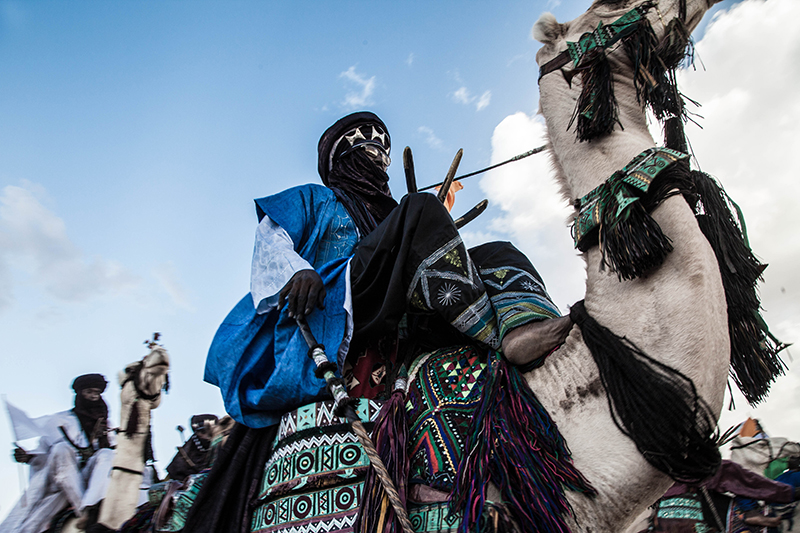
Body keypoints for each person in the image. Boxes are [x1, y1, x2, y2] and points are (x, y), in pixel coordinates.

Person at [204, 111, 572, 428]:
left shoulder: (391, 213)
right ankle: (491, 336)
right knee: (421, 208)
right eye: (369, 152)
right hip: (336, 300)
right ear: (345, 160)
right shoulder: (315, 198)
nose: (380, 162)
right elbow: (273, 237)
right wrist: (297, 272)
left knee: (496, 252)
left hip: (394, 305)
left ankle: (519, 330)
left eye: (383, 155)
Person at [0, 374, 116, 533]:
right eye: (89, 392)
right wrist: (28, 457)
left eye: (97, 393)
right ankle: (84, 510)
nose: (93, 396)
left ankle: (93, 503)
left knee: (107, 454)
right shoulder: (59, 420)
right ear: (80, 393)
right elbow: (45, 454)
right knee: (61, 449)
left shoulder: (108, 426)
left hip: (91, 475)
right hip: (63, 477)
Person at [649, 459, 798, 532]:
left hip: (660, 519)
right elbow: (737, 479)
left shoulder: (652, 467)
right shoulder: (694, 462)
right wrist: (788, 493)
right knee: (733, 475)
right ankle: (750, 511)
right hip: (694, 516)